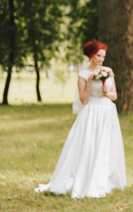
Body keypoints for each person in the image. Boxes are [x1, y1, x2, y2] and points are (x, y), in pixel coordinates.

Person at [35, 40, 127, 198]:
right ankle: (86, 178)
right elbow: (84, 100)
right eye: (98, 55)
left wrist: (107, 92)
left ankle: (105, 179)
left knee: (106, 145)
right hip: (91, 112)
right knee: (89, 146)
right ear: (91, 55)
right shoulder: (83, 74)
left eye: (103, 56)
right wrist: (90, 84)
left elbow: (114, 96)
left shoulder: (108, 71)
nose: (101, 59)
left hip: (107, 112)